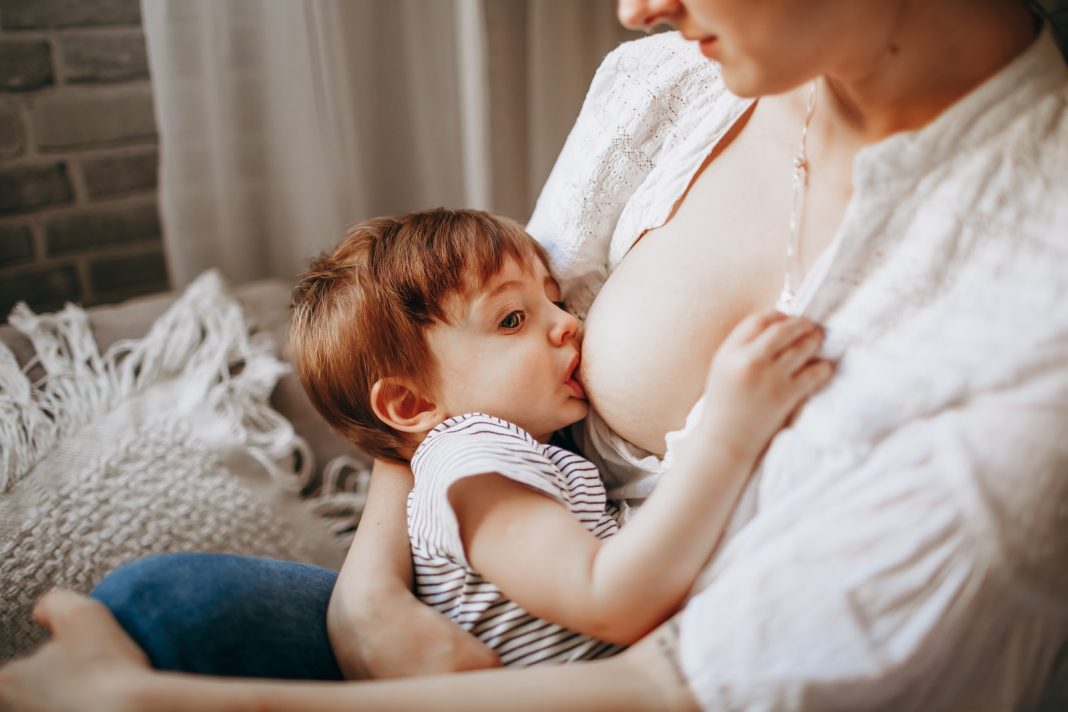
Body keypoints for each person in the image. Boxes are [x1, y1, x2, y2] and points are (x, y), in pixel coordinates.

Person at [2, 0, 1066, 710]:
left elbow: (668, 679)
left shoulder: (1027, 328)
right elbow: (438, 365)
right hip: (505, 628)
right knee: (163, 601)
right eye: (535, 316)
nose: (635, 3)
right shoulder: (666, 87)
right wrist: (367, 594)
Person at [287, 208, 831, 667]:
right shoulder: (473, 459)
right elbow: (609, 599)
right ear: (412, 405)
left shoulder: (505, 453)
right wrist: (728, 432)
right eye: (512, 319)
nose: (567, 323)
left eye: (555, 300)